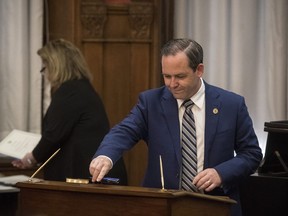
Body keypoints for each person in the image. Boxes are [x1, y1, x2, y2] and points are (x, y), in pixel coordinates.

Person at [89, 38, 263, 215]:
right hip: (162, 207)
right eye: (166, 76)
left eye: (180, 76)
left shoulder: (231, 104)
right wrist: (106, 156)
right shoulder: (151, 103)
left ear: (199, 70)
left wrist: (221, 173)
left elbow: (252, 154)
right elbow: (125, 131)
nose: (172, 84)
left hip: (216, 205)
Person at [12, 39, 127, 185]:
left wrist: (30, 159)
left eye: (45, 67)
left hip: (87, 177)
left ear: (55, 66)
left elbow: (53, 136)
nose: (45, 73)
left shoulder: (69, 92)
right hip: (93, 173)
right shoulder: (81, 89)